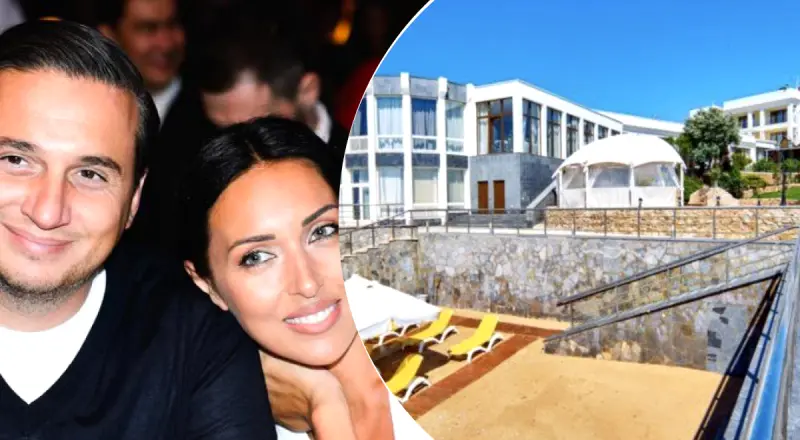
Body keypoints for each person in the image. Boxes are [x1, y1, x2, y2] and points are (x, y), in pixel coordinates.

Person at [0, 20, 276, 439]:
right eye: (16, 160)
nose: (48, 211)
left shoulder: (196, 338)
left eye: (90, 174)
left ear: (133, 199)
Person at [176, 116, 433, 440]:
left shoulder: (437, 338)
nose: (307, 283)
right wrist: (324, 406)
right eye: (256, 257)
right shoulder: (220, 422)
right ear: (207, 284)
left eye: (323, 232)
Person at [96, 0, 215, 256]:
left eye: (172, 25)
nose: (166, 43)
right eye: (147, 29)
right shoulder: (87, 111)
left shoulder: (212, 116)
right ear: (109, 35)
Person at [186, 20, 348, 158]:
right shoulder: (197, 159)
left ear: (308, 91)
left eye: (256, 128)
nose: (234, 148)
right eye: (220, 130)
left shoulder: (355, 165)